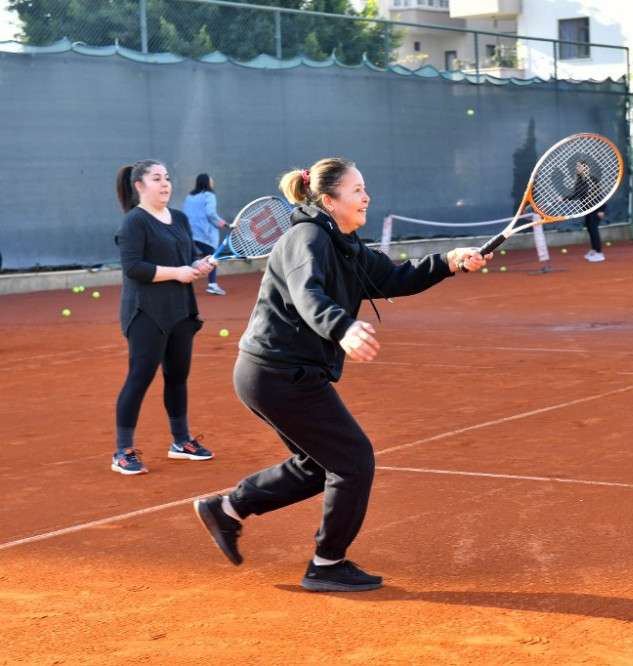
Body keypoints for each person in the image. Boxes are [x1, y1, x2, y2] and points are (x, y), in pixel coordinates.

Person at [193, 157, 489, 592]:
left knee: (318, 466)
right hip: (276, 372)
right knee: (353, 461)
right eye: (356, 190)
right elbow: (307, 294)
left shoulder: (345, 245)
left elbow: (394, 277)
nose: (366, 196)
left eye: (365, 188)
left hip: (283, 373)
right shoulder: (306, 238)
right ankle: (327, 563)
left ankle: (228, 509)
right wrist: (344, 327)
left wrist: (449, 261)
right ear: (329, 200)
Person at [113, 160, 215, 475]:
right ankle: (123, 451)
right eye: (156, 178)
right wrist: (179, 272)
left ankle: (181, 441)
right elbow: (134, 268)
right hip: (146, 313)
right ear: (140, 186)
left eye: (167, 177)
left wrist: (199, 265)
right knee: (140, 378)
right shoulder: (134, 222)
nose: (165, 183)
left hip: (180, 311)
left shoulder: (181, 219)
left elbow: (185, 261)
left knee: (177, 377)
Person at [183, 173, 228, 295]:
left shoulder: (190, 196)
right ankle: (212, 285)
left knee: (190, 259)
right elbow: (210, 214)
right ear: (207, 182)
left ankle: (182, 283)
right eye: (210, 180)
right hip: (205, 235)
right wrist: (223, 224)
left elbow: (185, 213)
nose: (212, 181)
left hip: (189, 233)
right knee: (212, 258)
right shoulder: (209, 195)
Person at [568, 160, 607, 262]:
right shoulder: (580, 180)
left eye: (579, 166)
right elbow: (576, 195)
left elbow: (600, 195)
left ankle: (599, 253)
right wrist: (563, 199)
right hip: (587, 209)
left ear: (586, 168)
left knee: (593, 229)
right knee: (590, 228)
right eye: (577, 166)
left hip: (596, 208)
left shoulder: (592, 179)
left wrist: (601, 209)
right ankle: (594, 250)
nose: (577, 168)